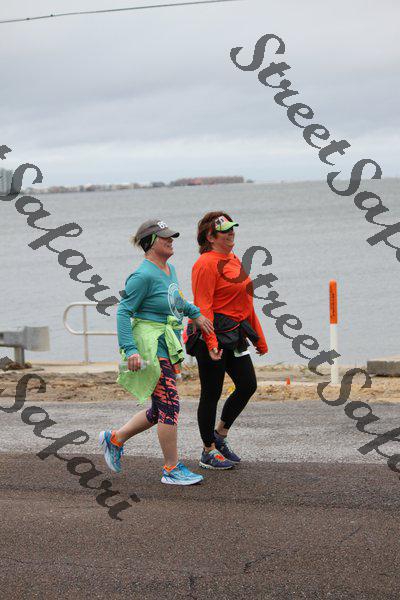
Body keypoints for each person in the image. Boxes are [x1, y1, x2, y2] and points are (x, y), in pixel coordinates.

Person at [99, 219, 213, 485]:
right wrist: (130, 350)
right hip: (150, 346)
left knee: (160, 408)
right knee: (170, 404)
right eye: (165, 237)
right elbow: (124, 312)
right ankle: (171, 469)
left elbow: (176, 300)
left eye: (171, 236)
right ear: (150, 242)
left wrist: (195, 314)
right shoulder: (142, 276)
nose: (171, 240)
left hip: (165, 343)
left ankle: (115, 438)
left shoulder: (169, 269)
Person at [189, 212, 268, 469]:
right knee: (211, 394)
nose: (231, 232)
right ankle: (207, 451)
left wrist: (259, 338)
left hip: (235, 334)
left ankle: (220, 436)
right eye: (225, 230)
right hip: (210, 336)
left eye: (232, 227)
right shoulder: (205, 264)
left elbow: (246, 303)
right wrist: (211, 342)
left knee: (247, 385)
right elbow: (203, 306)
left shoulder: (234, 259)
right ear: (210, 237)